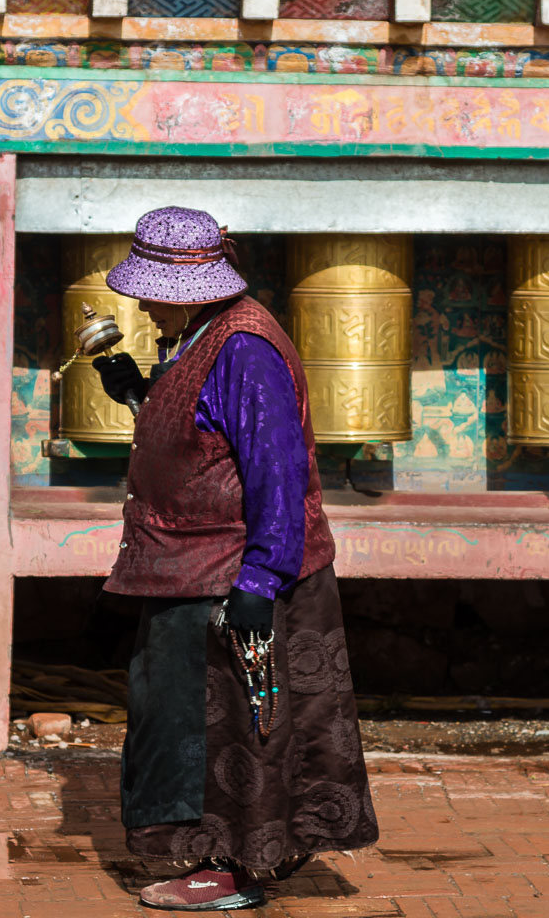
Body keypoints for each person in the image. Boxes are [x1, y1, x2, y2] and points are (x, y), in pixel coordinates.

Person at [91, 206, 378, 911]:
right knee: (184, 717)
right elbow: (205, 437)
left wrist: (258, 582)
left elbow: (277, 472)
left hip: (233, 573)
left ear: (185, 289)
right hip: (193, 566)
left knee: (226, 730)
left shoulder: (244, 350)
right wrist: (141, 394)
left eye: (151, 291)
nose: (143, 303)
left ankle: (228, 870)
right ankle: (225, 861)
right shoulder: (197, 340)